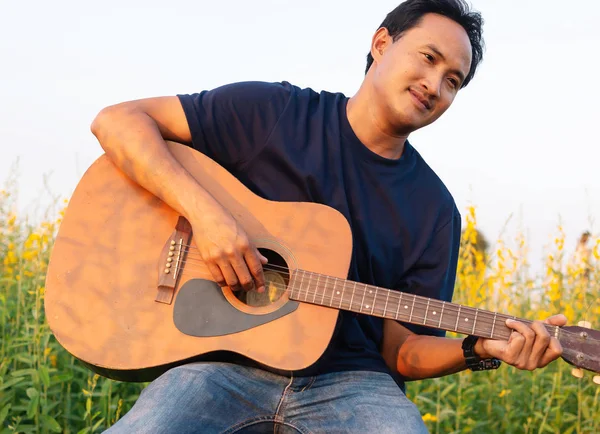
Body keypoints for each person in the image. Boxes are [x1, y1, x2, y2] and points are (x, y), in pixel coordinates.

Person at [91, 0, 566, 432]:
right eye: (428, 57)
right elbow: (117, 121)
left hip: (353, 384)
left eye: (453, 80)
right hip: (221, 363)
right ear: (382, 44)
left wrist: (479, 348)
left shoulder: (435, 212)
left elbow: (404, 350)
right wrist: (208, 218)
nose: (435, 85)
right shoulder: (275, 113)